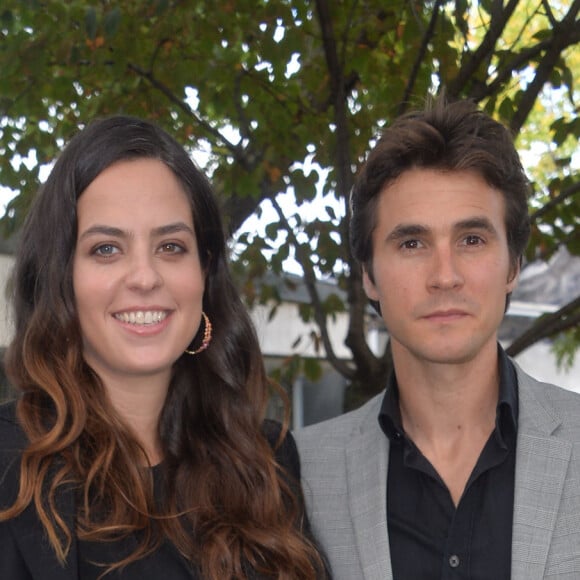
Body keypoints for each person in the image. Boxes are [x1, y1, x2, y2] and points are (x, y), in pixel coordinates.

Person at [0, 115, 328, 579]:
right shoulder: (10, 465)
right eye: (106, 249)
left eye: (171, 247)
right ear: (61, 278)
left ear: (204, 271)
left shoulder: (267, 460)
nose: (145, 277)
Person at [295, 96, 580, 580]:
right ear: (368, 276)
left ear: (512, 264)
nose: (444, 276)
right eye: (412, 243)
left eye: (472, 240)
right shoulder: (300, 474)